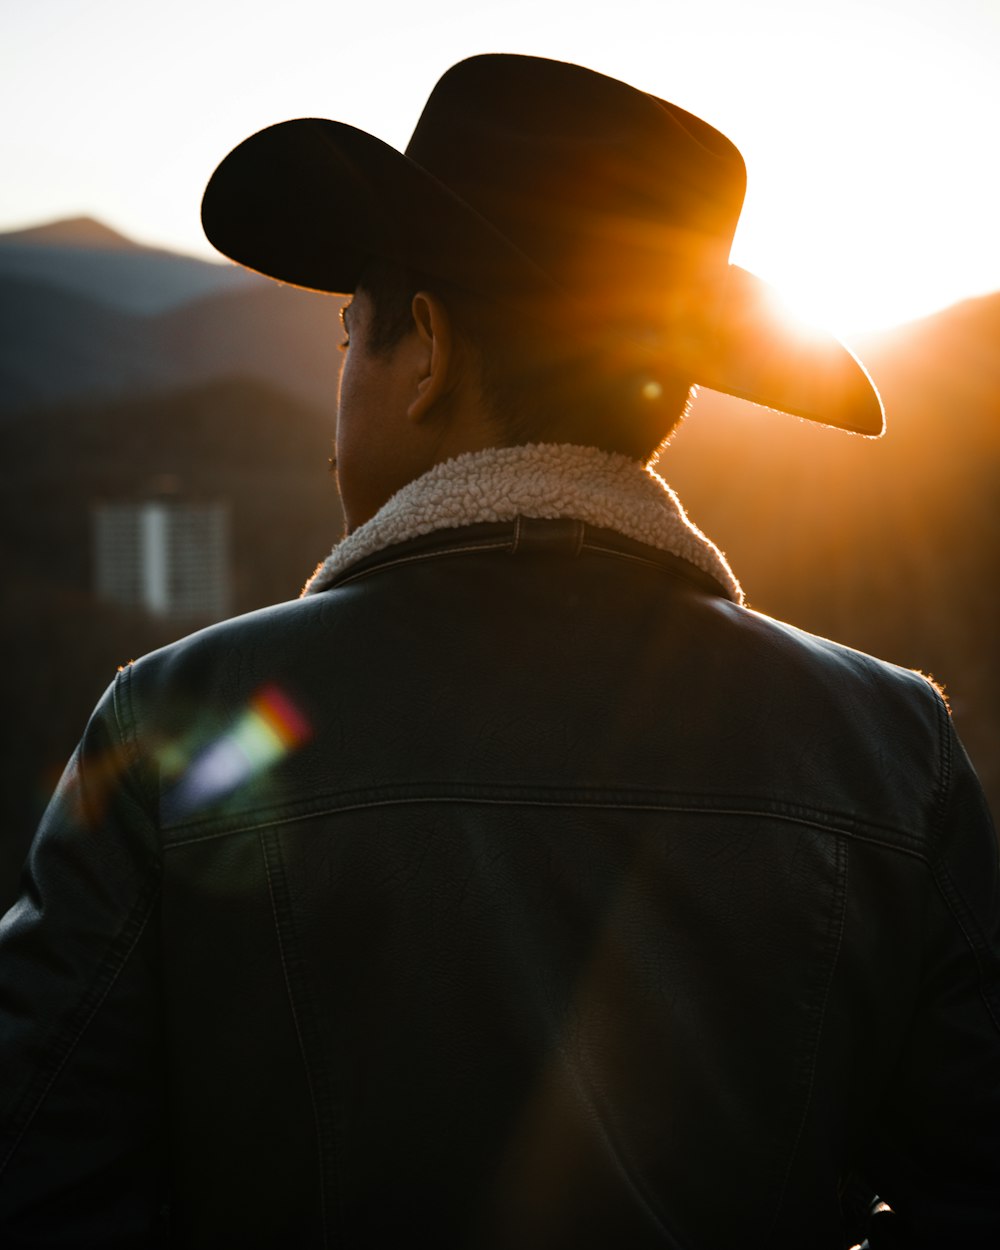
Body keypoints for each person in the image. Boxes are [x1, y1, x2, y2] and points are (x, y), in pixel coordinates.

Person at [0, 53, 997, 1250]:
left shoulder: (183, 720)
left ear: (421, 346)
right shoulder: (889, 746)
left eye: (343, 341)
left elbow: (37, 1176)